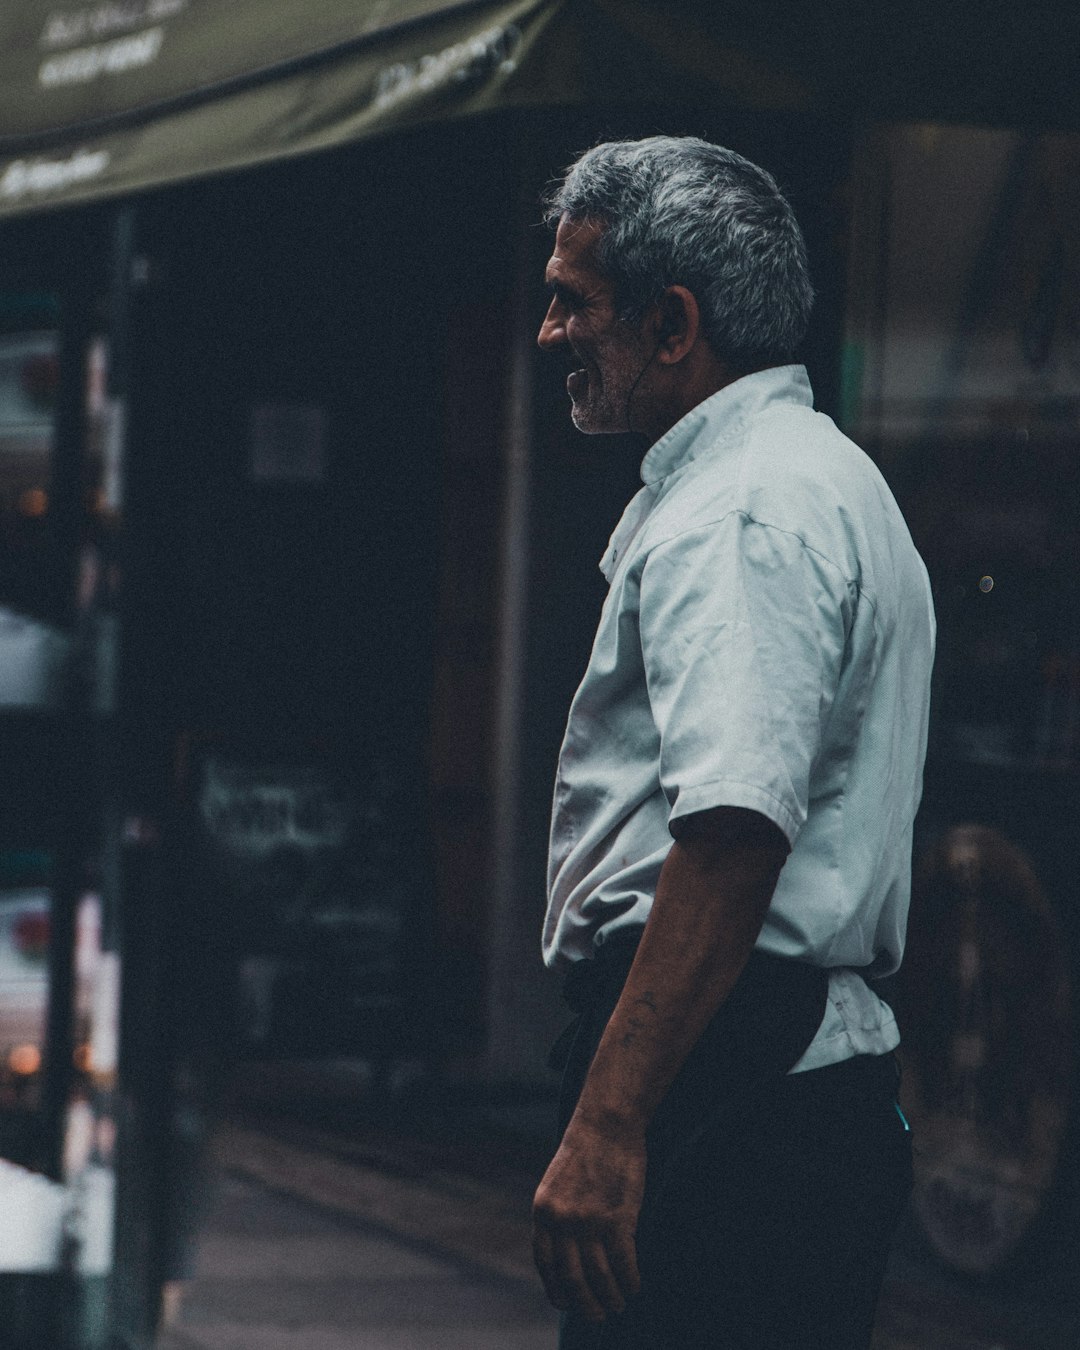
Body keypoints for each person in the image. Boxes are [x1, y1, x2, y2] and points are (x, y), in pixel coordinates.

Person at [531, 136, 935, 1350]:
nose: (550, 335)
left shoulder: (746, 508)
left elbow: (731, 834)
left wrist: (610, 1122)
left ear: (674, 324)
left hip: (737, 1083)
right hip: (759, 1067)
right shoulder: (810, 477)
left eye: (572, 302)